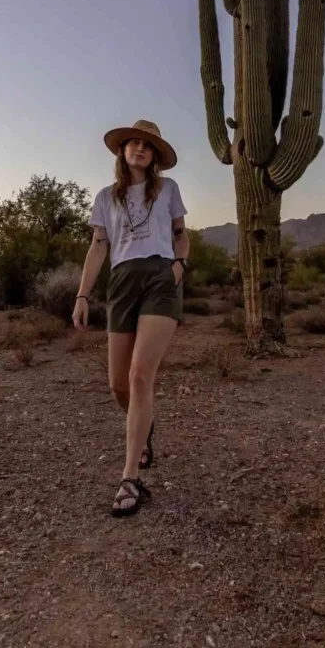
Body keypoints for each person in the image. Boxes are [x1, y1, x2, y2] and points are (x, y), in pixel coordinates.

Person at [73, 120, 189, 517]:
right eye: (133, 144)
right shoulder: (106, 197)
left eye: (147, 146)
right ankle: (145, 429)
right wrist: (82, 294)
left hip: (159, 277)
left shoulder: (167, 190)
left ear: (155, 156)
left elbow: (180, 233)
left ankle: (130, 477)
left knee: (141, 375)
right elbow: (98, 247)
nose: (139, 149)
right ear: (123, 151)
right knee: (118, 385)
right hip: (121, 281)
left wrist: (181, 265)